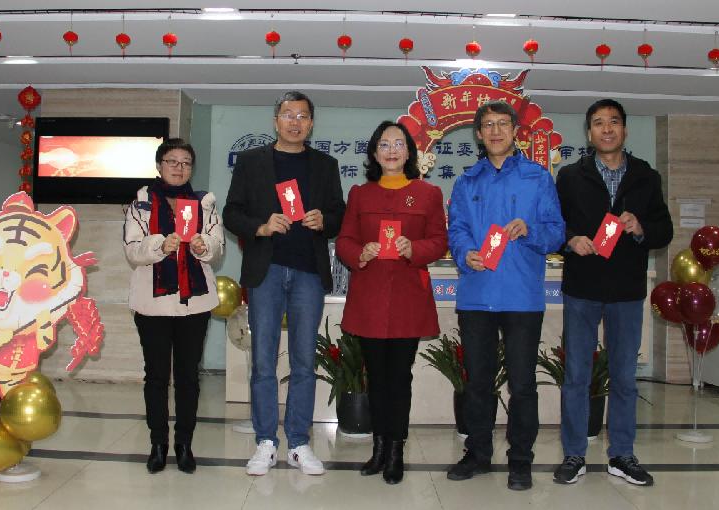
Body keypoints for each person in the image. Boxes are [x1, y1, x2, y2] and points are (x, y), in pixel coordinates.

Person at [223, 91, 346, 476]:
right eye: (288, 114)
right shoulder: (251, 161)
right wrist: (260, 227)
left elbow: (339, 215)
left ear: (311, 123)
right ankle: (265, 441)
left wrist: (323, 221)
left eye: (303, 116)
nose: (295, 122)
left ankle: (298, 442)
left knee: (304, 361)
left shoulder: (325, 165)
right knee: (263, 360)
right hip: (267, 270)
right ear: (275, 120)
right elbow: (232, 212)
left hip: (308, 271)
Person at [553, 99, 672, 487]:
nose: (607, 129)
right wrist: (571, 239)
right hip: (582, 288)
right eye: (599, 123)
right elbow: (554, 224)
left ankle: (622, 454)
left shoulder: (646, 176)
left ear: (624, 130)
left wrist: (640, 228)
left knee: (624, 377)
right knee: (576, 376)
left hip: (626, 290)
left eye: (614, 122)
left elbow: (664, 229)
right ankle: (574, 454)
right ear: (589, 133)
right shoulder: (570, 176)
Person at [447, 101, 565, 491]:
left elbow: (556, 233)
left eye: (502, 124)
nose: (495, 131)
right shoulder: (467, 182)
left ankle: (521, 460)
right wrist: (465, 253)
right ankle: (478, 453)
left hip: (521, 298)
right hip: (477, 296)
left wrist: (530, 230)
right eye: (488, 125)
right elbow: (457, 229)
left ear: (515, 131)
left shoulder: (538, 178)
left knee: (523, 384)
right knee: (478, 383)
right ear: (478, 134)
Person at [335, 121, 447, 485]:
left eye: (399, 144)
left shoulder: (428, 193)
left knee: (400, 377)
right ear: (374, 153)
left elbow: (439, 241)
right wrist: (361, 252)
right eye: (384, 144)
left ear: (409, 152)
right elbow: (345, 241)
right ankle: (379, 448)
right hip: (370, 297)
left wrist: (415, 248)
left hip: (407, 299)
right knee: (376, 377)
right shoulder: (360, 194)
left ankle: (396, 449)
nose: (392, 150)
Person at [123, 138, 224, 474]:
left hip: (194, 304)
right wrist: (159, 245)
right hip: (152, 304)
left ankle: (184, 444)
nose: (179, 168)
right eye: (172, 161)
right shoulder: (142, 202)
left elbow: (218, 246)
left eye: (186, 163)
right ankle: (157, 443)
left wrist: (204, 246)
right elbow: (132, 250)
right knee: (155, 377)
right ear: (159, 165)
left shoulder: (204, 202)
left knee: (188, 377)